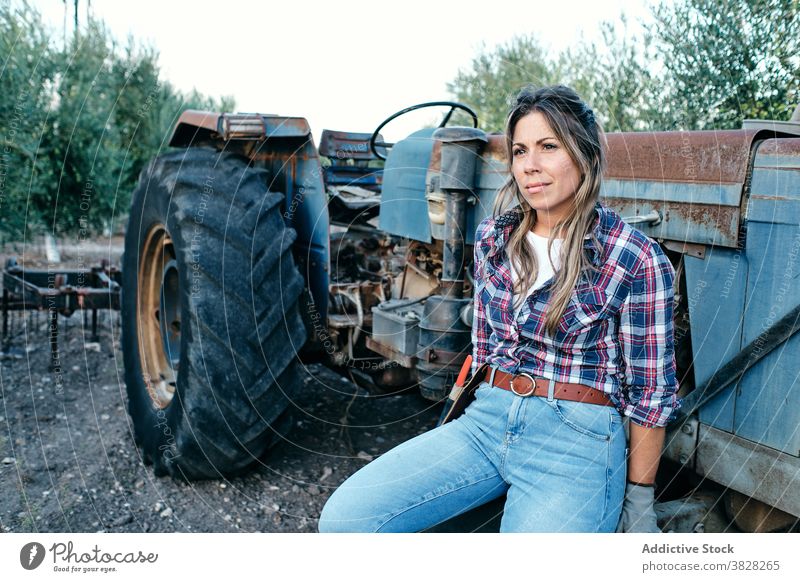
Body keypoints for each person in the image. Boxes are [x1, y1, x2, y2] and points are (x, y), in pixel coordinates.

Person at [318, 85, 680, 533]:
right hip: (487, 421)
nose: (530, 165)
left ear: (584, 154)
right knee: (347, 520)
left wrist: (640, 501)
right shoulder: (493, 237)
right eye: (520, 150)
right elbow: (485, 352)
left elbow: (650, 394)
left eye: (549, 147)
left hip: (577, 438)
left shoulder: (635, 256)